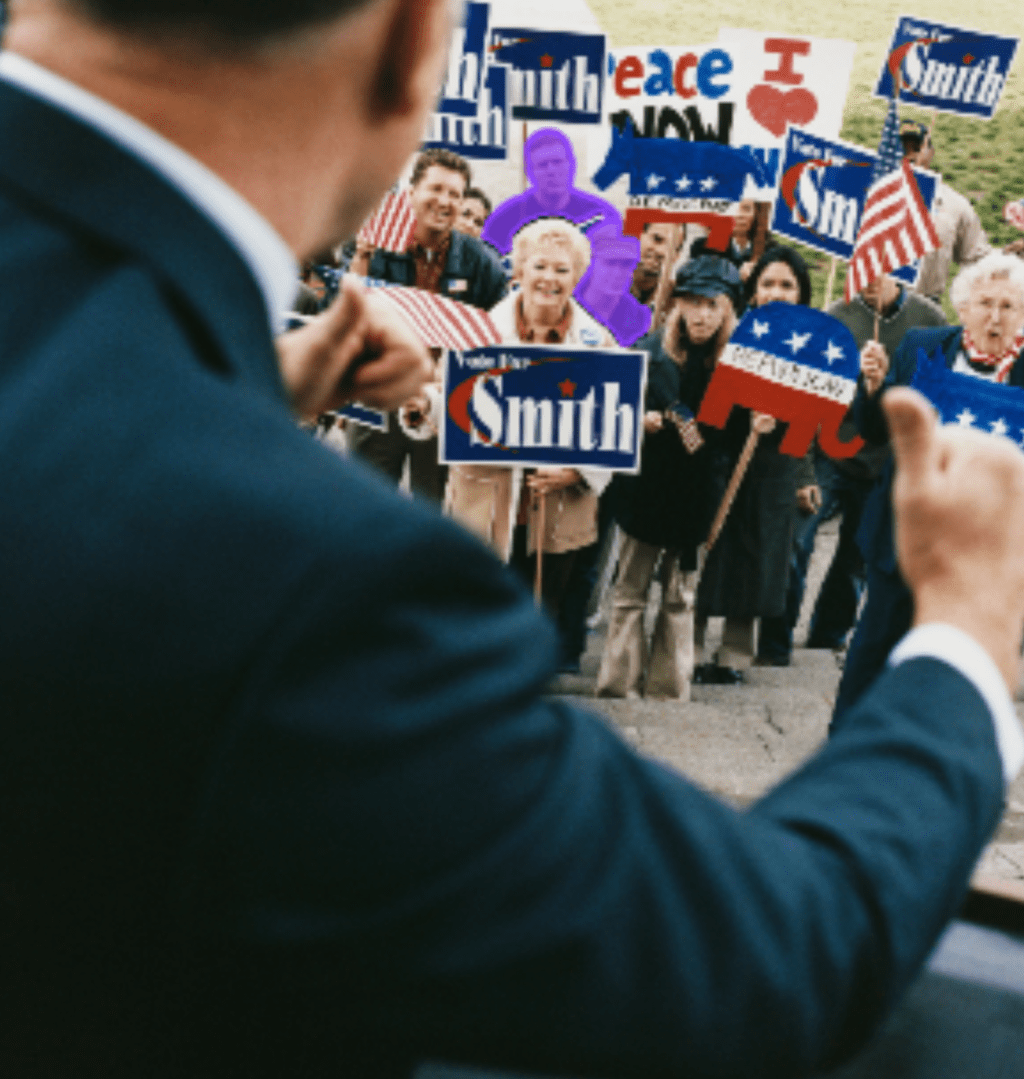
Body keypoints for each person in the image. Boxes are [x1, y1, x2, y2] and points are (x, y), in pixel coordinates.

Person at [2, 4, 1024, 1079]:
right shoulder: (315, 575)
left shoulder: (163, 411)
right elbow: (761, 959)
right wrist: (962, 633)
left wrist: (239, 395)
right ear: (407, 48)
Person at [834, 252, 1024, 727]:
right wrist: (874, 387)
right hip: (905, 529)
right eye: (985, 303)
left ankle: (933, 751)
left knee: (960, 657)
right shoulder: (923, 346)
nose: (995, 316)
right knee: (876, 644)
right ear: (963, 307)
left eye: (1008, 305)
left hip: (985, 544)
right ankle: (848, 743)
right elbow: (877, 432)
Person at [443, 218, 612, 630]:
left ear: (576, 277)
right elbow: (447, 401)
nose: (549, 279)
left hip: (556, 510)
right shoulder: (477, 334)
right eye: (539, 266)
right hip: (484, 497)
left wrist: (575, 472)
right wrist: (421, 408)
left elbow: (611, 426)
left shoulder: (600, 344)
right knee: (476, 608)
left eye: (562, 269)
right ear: (519, 270)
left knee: (537, 613)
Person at [595, 256, 733, 699]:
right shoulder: (648, 353)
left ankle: (668, 687)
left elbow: (740, 436)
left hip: (697, 495)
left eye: (713, 304)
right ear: (677, 305)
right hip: (646, 492)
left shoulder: (736, 368)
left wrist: (760, 422)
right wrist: (641, 422)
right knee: (630, 592)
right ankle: (618, 683)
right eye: (693, 302)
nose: (702, 314)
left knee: (679, 598)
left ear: (727, 310)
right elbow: (613, 416)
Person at [795, 275, 946, 654]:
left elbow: (939, 388)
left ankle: (827, 637)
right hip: (832, 451)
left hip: (886, 461)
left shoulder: (928, 319)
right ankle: (774, 637)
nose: (866, 278)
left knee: (855, 559)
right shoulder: (836, 314)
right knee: (799, 541)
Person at [349, 147, 507, 501]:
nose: (445, 201)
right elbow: (339, 314)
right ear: (411, 193)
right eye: (436, 188)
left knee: (432, 511)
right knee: (361, 508)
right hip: (379, 398)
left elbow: (500, 334)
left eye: (455, 193)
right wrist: (361, 257)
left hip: (442, 406)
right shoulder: (376, 243)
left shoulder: (482, 264)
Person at [694, 246, 818, 682]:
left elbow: (811, 423)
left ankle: (734, 655)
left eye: (787, 285)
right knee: (709, 549)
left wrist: (785, 433)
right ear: (753, 289)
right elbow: (706, 406)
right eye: (768, 283)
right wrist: (742, 415)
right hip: (723, 458)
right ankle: (686, 646)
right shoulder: (730, 332)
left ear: (802, 293)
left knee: (757, 558)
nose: (776, 292)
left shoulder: (815, 347)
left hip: (774, 467)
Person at [480, 127, 622, 255]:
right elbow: (485, 268)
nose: (552, 171)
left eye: (557, 162)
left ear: (572, 165)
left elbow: (619, 268)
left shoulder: (602, 214)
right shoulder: (504, 220)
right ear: (529, 173)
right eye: (543, 165)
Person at [901, 121, 991, 303]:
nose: (910, 155)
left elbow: (977, 257)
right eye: (903, 148)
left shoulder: (954, 204)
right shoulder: (867, 193)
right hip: (872, 307)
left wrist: (1012, 255)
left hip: (924, 308)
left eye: (918, 148)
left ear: (930, 153)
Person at [574, 231, 652, 346]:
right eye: (610, 263)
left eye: (626, 264)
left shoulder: (638, 320)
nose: (618, 273)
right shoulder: (565, 305)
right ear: (590, 263)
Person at [630, 221, 680, 306]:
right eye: (657, 239)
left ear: (677, 256)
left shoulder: (678, 300)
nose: (662, 251)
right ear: (639, 235)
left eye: (672, 248)